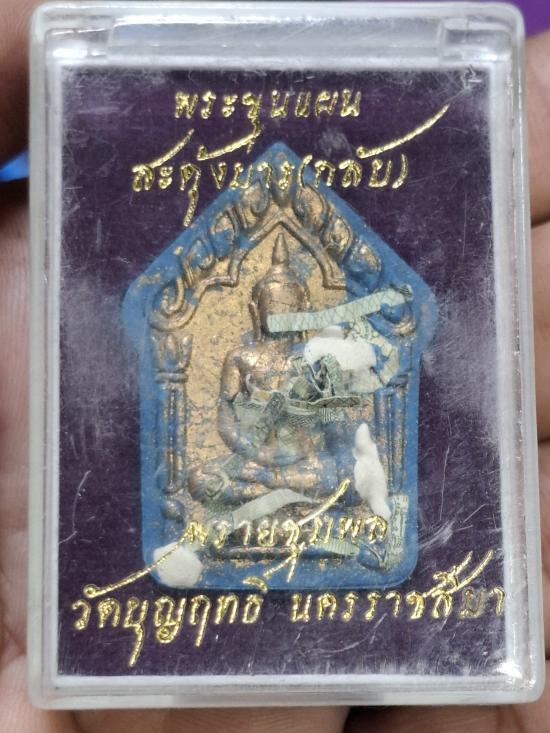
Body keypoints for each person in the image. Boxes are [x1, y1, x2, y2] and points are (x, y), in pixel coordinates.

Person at [1, 3, 549, 731]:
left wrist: (316, 422)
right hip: (254, 471)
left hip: (312, 474)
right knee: (207, 480)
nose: (278, 313)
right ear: (260, 307)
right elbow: (227, 428)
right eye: (271, 305)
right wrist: (260, 434)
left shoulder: (322, 354)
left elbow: (347, 431)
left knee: (332, 482)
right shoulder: (244, 354)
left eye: (289, 303)